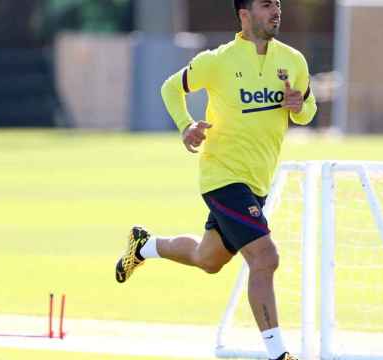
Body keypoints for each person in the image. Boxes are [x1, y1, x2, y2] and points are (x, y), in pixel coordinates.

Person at [114, 1, 316, 359]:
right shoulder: (217, 61)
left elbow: (307, 113)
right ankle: (278, 354)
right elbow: (169, 89)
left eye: (278, 4)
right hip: (221, 176)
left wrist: (299, 106)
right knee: (265, 258)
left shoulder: (293, 61)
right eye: (267, 4)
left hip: (256, 183)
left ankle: (143, 245)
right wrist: (186, 125)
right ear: (244, 13)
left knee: (207, 259)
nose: (276, 10)